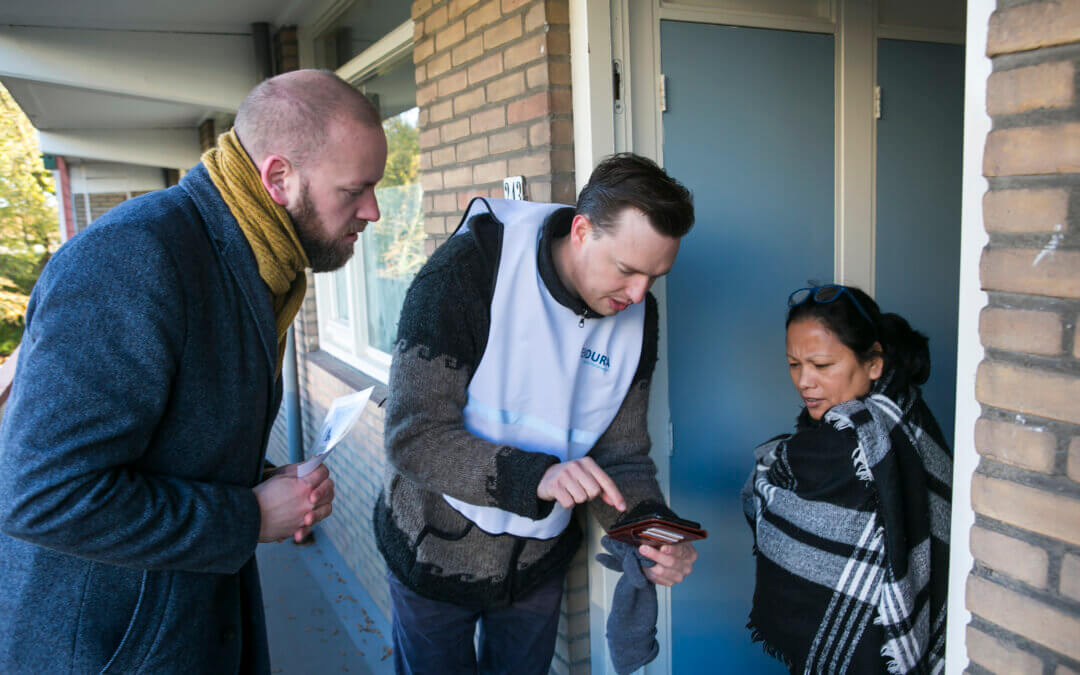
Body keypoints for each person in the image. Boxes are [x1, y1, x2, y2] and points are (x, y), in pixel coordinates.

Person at [0, 70, 387, 673]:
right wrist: (250, 515)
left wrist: (260, 480)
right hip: (109, 651)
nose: (375, 210)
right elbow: (43, 495)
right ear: (278, 178)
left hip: (181, 628)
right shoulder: (131, 260)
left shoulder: (249, 259)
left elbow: (163, 442)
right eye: (355, 189)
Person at [374, 153, 699, 674]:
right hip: (432, 553)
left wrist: (650, 534)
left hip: (535, 567)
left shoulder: (640, 314)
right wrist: (539, 476)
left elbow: (622, 457)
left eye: (655, 276)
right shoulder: (467, 271)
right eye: (627, 270)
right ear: (581, 229)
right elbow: (413, 436)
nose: (639, 294)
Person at [742, 284, 952, 674]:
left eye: (822, 366)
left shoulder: (859, 437)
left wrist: (766, 475)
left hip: (874, 651)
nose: (805, 381)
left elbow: (769, 492)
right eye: (794, 364)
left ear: (873, 363)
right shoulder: (906, 409)